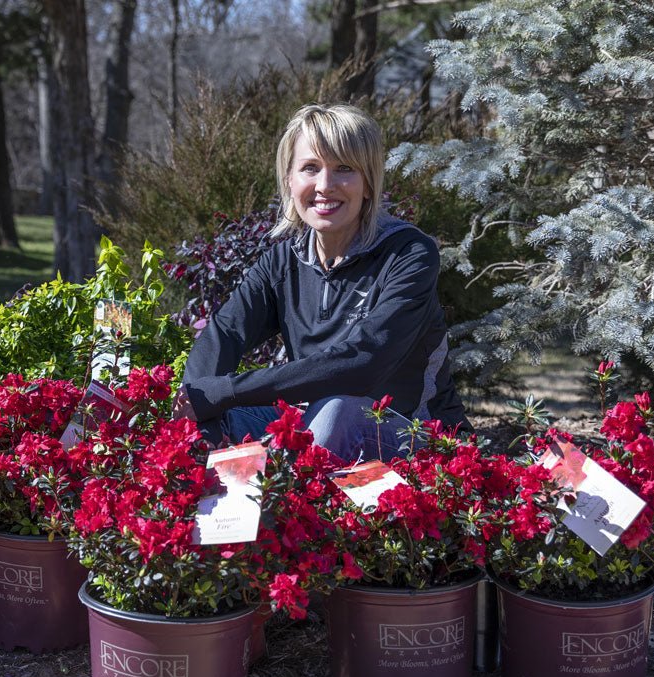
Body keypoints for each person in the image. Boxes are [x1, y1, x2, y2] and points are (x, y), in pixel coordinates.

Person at [173, 103, 469, 462]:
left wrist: (226, 391)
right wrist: (203, 409)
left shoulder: (409, 254)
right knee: (208, 422)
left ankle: (292, 507)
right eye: (310, 168)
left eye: (344, 169)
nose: (325, 186)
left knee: (337, 411)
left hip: (413, 435)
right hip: (316, 429)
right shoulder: (281, 262)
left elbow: (362, 364)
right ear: (289, 180)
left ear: (369, 183)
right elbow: (224, 335)